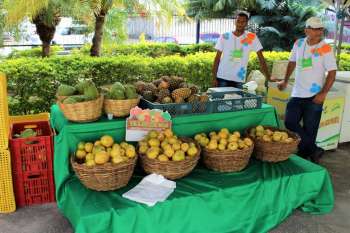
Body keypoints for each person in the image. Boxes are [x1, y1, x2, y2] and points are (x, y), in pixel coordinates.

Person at [278, 17, 337, 163]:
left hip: (315, 95)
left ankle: (307, 155)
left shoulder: (325, 48)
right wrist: (285, 80)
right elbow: (292, 62)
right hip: (297, 93)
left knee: (311, 129)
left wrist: (323, 93)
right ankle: (314, 150)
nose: (319, 31)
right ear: (306, 30)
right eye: (315, 28)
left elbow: (332, 72)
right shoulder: (299, 44)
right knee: (290, 122)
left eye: (320, 29)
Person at [212, 10, 271, 88]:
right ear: (235, 22)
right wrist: (214, 78)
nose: (240, 23)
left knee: (238, 100)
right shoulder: (224, 36)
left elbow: (261, 59)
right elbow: (217, 59)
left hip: (239, 79)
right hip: (222, 77)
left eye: (243, 22)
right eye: (238, 21)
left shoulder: (252, 37)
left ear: (246, 23)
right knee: (222, 100)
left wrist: (268, 77)